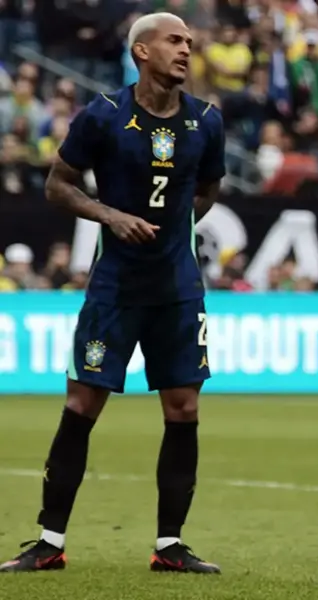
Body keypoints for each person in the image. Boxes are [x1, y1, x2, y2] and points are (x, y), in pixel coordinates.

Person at [0, 13, 225, 574]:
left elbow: (208, 188)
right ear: (141, 51)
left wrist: (175, 232)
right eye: (174, 40)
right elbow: (58, 184)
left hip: (178, 288)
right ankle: (49, 542)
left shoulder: (206, 121)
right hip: (114, 287)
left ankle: (170, 546)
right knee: (82, 403)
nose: (186, 49)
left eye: (189, 42)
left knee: (184, 406)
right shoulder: (102, 114)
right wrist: (110, 216)